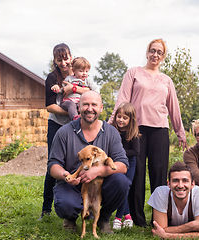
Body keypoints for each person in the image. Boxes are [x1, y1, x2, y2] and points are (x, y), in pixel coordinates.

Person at [108, 38, 188, 227]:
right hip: (136, 130)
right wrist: (111, 124)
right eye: (153, 50)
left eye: (160, 52)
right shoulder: (133, 73)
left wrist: (180, 132)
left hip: (160, 130)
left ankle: (158, 218)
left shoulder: (167, 80)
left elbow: (173, 108)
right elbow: (122, 100)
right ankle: (137, 219)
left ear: (163, 57)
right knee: (136, 174)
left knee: (159, 175)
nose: (155, 55)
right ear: (147, 52)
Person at [47, 90, 131, 234]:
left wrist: (98, 171)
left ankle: (103, 219)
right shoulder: (64, 132)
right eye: (85, 105)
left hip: (100, 186)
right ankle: (71, 217)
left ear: (101, 108)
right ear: (78, 107)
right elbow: (53, 165)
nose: (90, 108)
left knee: (122, 182)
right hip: (73, 185)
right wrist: (66, 175)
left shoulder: (111, 132)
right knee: (65, 205)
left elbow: (123, 165)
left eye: (94, 105)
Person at [39, 43, 90, 220]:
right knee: (53, 165)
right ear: (54, 60)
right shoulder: (52, 77)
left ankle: (82, 205)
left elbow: (90, 91)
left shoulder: (78, 71)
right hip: (58, 125)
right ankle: (46, 208)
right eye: (59, 59)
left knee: (79, 162)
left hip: (77, 125)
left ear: (71, 56)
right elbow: (50, 106)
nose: (63, 62)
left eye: (66, 58)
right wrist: (71, 112)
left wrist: (74, 89)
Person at [148, 161, 199, 240]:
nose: (180, 185)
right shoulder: (160, 193)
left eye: (185, 181)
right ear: (169, 184)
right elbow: (159, 230)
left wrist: (166, 236)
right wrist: (193, 226)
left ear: (192, 184)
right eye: (175, 180)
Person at [110, 102, 140, 230]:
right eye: (119, 116)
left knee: (126, 188)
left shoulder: (133, 134)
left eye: (124, 118)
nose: (121, 120)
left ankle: (118, 218)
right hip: (116, 163)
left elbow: (136, 152)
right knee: (121, 188)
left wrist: (120, 152)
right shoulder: (112, 131)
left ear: (130, 120)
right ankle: (127, 216)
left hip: (130, 164)